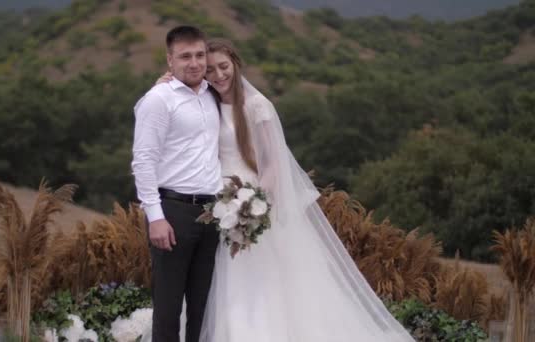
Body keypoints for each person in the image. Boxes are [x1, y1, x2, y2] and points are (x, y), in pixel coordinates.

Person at [155, 38, 415, 342]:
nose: (218, 75)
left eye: (223, 66)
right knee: (210, 285)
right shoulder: (205, 101)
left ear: (236, 64)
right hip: (213, 207)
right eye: (210, 69)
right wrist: (164, 82)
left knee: (251, 282)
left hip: (245, 205)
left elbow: (272, 166)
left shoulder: (257, 106)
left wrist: (251, 206)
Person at [131, 26, 222, 342]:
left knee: (204, 307)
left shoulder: (213, 95)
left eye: (199, 55)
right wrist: (155, 217)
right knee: (168, 308)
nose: (194, 63)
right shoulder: (159, 98)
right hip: (173, 212)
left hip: (212, 213)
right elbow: (143, 161)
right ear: (170, 60)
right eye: (185, 56)